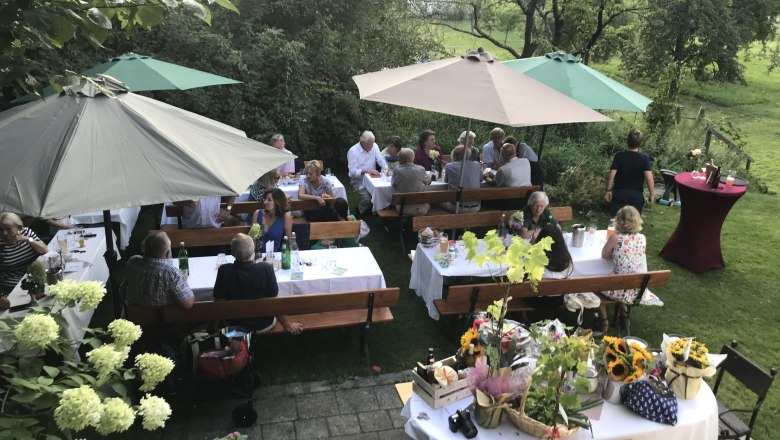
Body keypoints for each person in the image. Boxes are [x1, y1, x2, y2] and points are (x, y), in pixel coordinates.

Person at [213, 234, 303, 334]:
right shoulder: (266, 268)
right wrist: (287, 325)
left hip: (233, 324)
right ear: (253, 251)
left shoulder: (224, 270)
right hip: (263, 324)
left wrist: (214, 327)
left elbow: (219, 302)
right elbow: (274, 300)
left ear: (232, 253)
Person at [596, 205, 663, 333]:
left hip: (618, 288)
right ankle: (624, 314)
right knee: (623, 281)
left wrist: (614, 254)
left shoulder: (615, 238)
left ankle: (604, 322)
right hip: (636, 289)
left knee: (594, 285)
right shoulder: (642, 238)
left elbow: (604, 255)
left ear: (618, 220)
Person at [124, 231, 194, 309]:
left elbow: (123, 288)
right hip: (162, 316)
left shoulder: (132, 262)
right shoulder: (171, 273)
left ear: (144, 249)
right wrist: (183, 281)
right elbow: (188, 304)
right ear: (167, 253)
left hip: (133, 315)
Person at [0, 213, 48, 308]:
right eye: (0, 230)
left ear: (18, 227)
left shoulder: (27, 232)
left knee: (49, 285)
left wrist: (27, 239)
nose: (4, 233)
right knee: (31, 293)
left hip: (33, 273)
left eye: (8, 229)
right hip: (12, 279)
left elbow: (44, 250)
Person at [605, 129, 655, 216]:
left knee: (616, 220)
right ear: (641, 143)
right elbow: (649, 178)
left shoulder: (619, 156)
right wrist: (652, 194)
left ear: (627, 140)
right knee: (633, 221)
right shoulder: (644, 158)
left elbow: (611, 174)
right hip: (636, 195)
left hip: (619, 193)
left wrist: (608, 190)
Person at [524, 225, 572, 309]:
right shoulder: (566, 260)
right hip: (557, 301)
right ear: (561, 241)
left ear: (540, 240)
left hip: (534, 301)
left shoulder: (534, 259)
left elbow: (525, 259)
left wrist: (534, 240)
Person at [347, 130, 387, 216]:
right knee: (368, 199)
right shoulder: (353, 151)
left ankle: (376, 211)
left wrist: (387, 170)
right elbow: (352, 172)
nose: (372, 146)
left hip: (373, 179)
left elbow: (380, 160)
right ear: (362, 142)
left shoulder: (374, 145)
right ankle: (359, 210)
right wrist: (367, 171)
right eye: (369, 144)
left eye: (373, 143)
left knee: (383, 193)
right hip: (358, 180)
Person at [392, 148, 432, 216]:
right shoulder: (420, 169)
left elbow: (393, 185)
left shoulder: (396, 170)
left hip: (402, 207)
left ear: (399, 159)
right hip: (420, 207)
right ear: (413, 158)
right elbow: (428, 182)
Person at [441, 145, 481, 213]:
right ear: (468, 155)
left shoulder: (449, 166)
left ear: (454, 155)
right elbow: (481, 179)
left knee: (436, 202)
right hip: (476, 207)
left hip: (458, 207)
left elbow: (446, 180)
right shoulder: (477, 165)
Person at [251, 188, 293, 253]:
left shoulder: (286, 216)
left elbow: (288, 241)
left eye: (269, 200)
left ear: (277, 202)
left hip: (276, 254)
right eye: (265, 199)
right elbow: (252, 238)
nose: (265, 202)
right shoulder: (257, 213)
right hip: (258, 254)